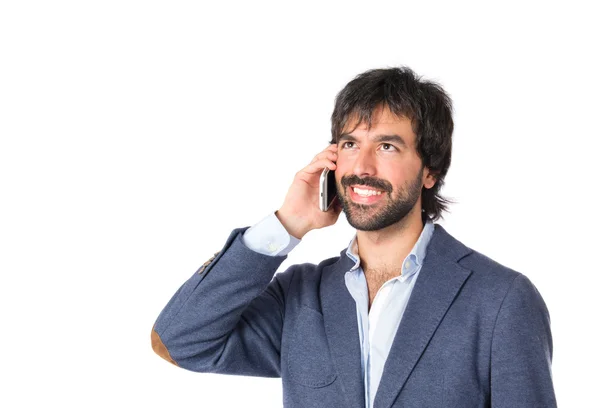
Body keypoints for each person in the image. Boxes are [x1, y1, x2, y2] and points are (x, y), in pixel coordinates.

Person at [151, 67, 557, 408]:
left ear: (429, 171)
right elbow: (180, 341)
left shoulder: (501, 299)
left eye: (386, 146)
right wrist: (287, 224)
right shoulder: (300, 297)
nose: (361, 167)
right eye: (349, 144)